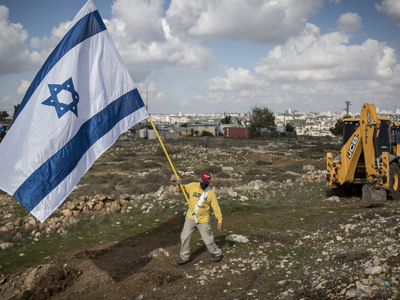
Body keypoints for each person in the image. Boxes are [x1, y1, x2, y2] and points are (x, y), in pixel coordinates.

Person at [175, 172, 223, 265]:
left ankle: (217, 254)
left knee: (208, 241)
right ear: (200, 179)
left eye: (207, 182)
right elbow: (182, 190)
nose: (204, 183)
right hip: (190, 218)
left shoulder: (210, 193)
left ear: (209, 183)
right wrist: (178, 185)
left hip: (203, 220)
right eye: (203, 181)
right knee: (184, 237)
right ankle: (185, 257)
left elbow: (216, 207)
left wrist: (219, 219)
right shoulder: (192, 185)